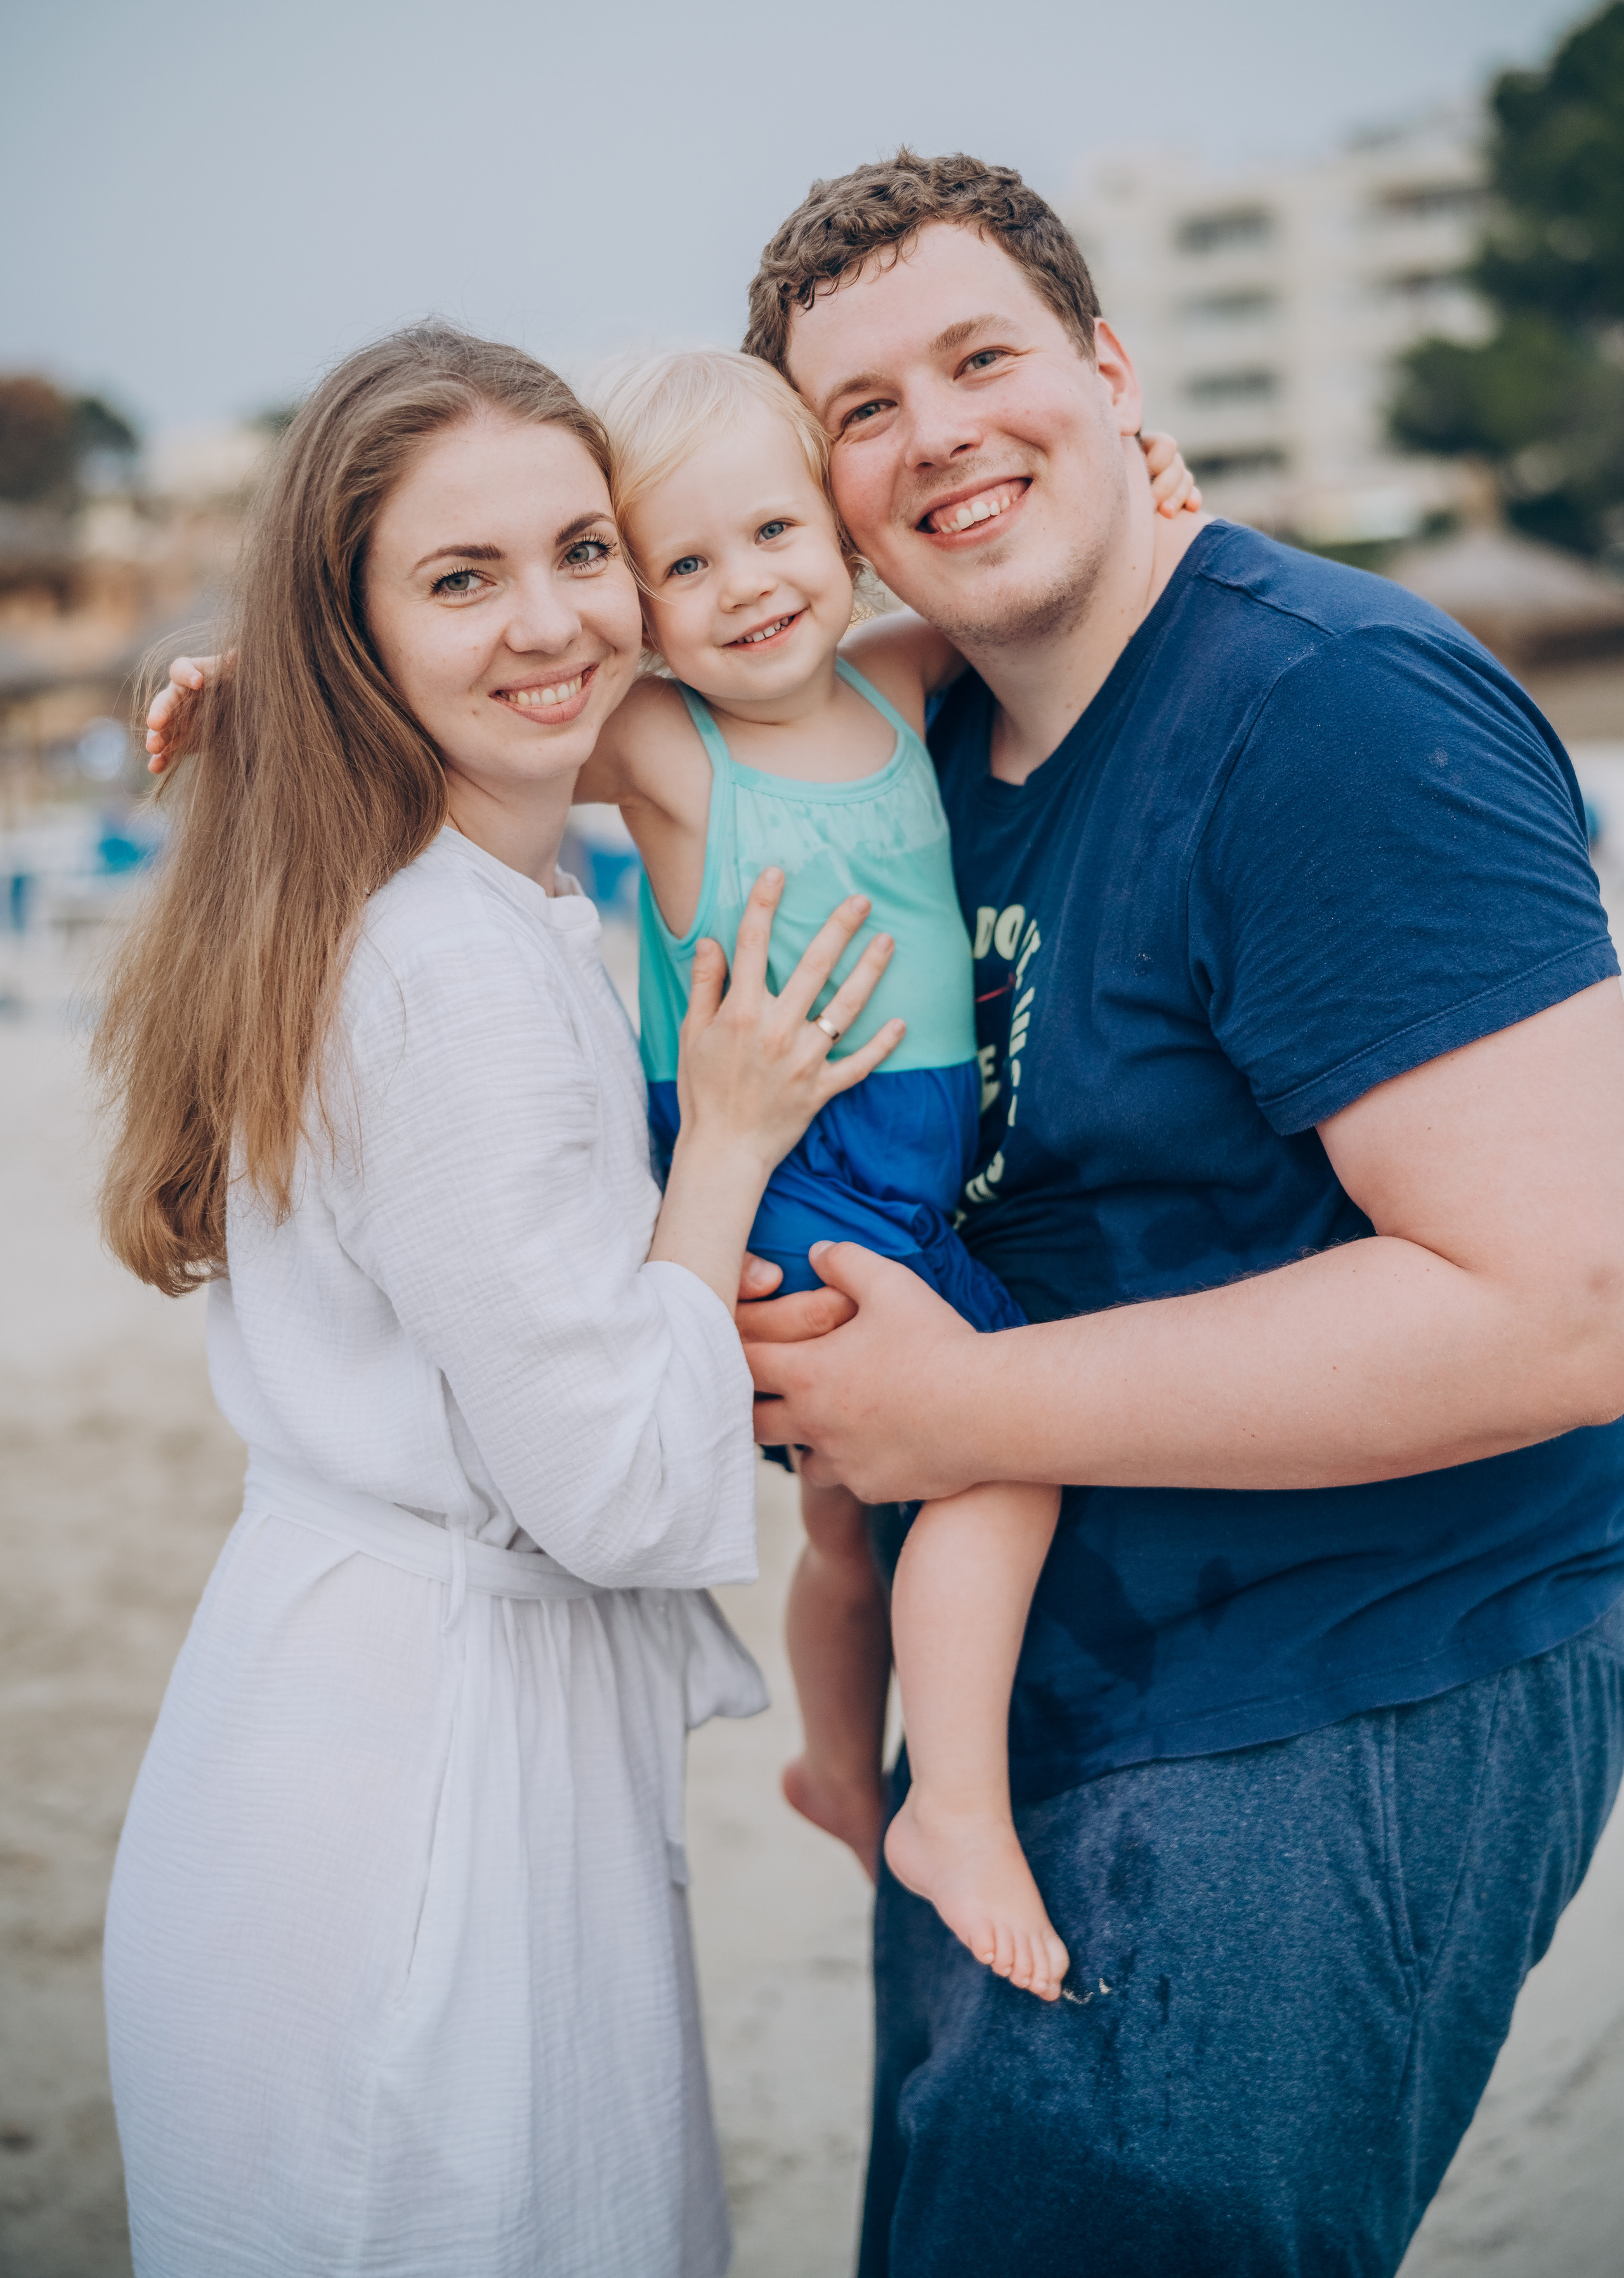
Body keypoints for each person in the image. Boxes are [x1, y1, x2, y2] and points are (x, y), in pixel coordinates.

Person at [738, 152, 1624, 2277]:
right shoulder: (933, 747)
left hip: (1326, 1691)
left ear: (1112, 369)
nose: (938, 431)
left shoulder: (1331, 715)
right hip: (1037, 1697)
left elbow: (1569, 1301)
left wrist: (959, 1413)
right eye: (864, 412)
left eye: (984, 359)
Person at [144, 350, 1200, 2007]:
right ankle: (960, 1810)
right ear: (649, 601)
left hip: (899, 1161)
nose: (743, 589)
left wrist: (1151, 499)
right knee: (1000, 1459)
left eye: (776, 536)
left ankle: (842, 1770)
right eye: (681, 565)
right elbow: (428, 686)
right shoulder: (668, 745)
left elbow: (1040, 591)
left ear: (843, 545)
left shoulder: (901, 686)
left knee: (853, 1531)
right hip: (803, 1166)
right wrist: (255, 693)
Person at [96, 322, 905, 2278]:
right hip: (420, 1803)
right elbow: (619, 1491)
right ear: (351, 632)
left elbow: (817, 673)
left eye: (581, 551)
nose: (551, 623)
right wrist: (722, 1144)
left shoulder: (432, 888)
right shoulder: (444, 964)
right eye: (460, 579)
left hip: (360, 1712)